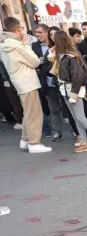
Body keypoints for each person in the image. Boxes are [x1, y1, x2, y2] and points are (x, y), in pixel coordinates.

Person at [0, 17, 52, 153]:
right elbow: (35, 61)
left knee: (28, 112)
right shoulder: (17, 45)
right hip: (27, 81)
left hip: (19, 81)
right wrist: (24, 44)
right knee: (34, 114)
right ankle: (34, 142)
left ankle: (25, 139)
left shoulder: (5, 44)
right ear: (17, 29)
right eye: (21, 30)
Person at [52, 31, 87, 153]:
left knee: (80, 117)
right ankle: (85, 142)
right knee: (77, 118)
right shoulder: (65, 55)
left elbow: (78, 75)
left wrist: (74, 92)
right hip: (66, 88)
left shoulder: (70, 56)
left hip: (71, 88)